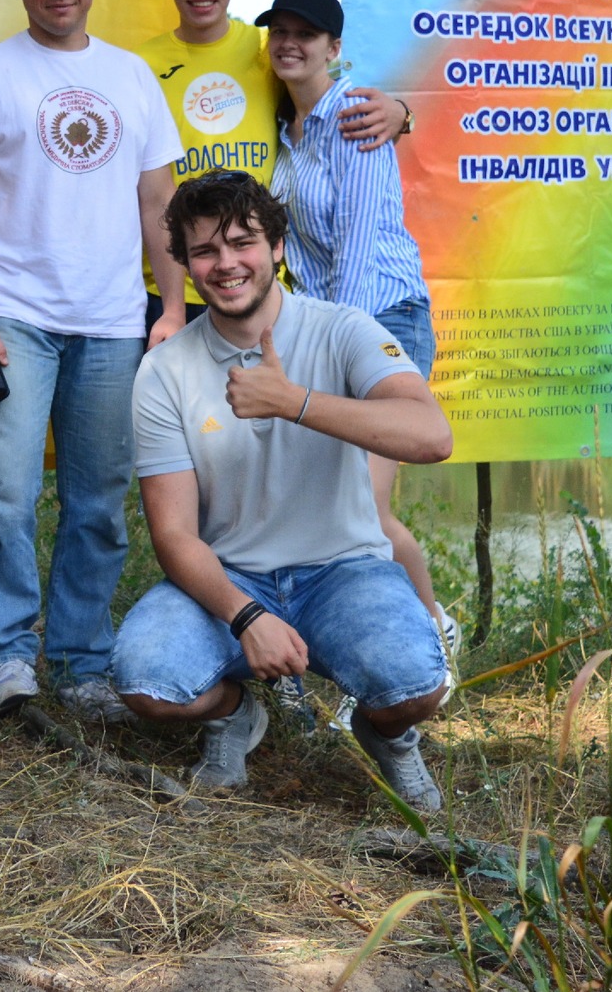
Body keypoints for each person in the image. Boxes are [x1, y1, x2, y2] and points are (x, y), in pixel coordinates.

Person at [109, 171, 453, 807]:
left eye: (243, 242)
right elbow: (174, 534)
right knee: (144, 681)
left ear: (277, 247)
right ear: (184, 264)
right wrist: (247, 616)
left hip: (344, 570)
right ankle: (235, 714)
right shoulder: (163, 370)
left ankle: (385, 732)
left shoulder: (343, 329)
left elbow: (432, 436)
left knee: (417, 684)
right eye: (205, 250)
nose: (226, 263)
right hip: (232, 577)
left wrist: (294, 401)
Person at [0, 0, 187, 723]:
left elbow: (159, 202)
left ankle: (81, 660)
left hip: (112, 322)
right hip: (11, 317)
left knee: (98, 501)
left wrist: (172, 306)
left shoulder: (132, 76)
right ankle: (7, 654)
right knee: (3, 490)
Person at [258, 0, 451, 648]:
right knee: (334, 506)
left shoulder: (354, 117)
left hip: (382, 319)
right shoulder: (284, 128)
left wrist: (328, 347)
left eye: (305, 34)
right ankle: (373, 643)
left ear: (334, 48)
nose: (289, 43)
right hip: (331, 322)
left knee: (364, 507)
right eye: (279, 31)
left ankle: (431, 638)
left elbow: (359, 250)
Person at [133, 0, 409, 332]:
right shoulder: (139, 66)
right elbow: (150, 192)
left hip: (263, 289)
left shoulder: (270, 49)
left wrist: (401, 113)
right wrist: (171, 307)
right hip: (175, 289)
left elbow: (336, 97)